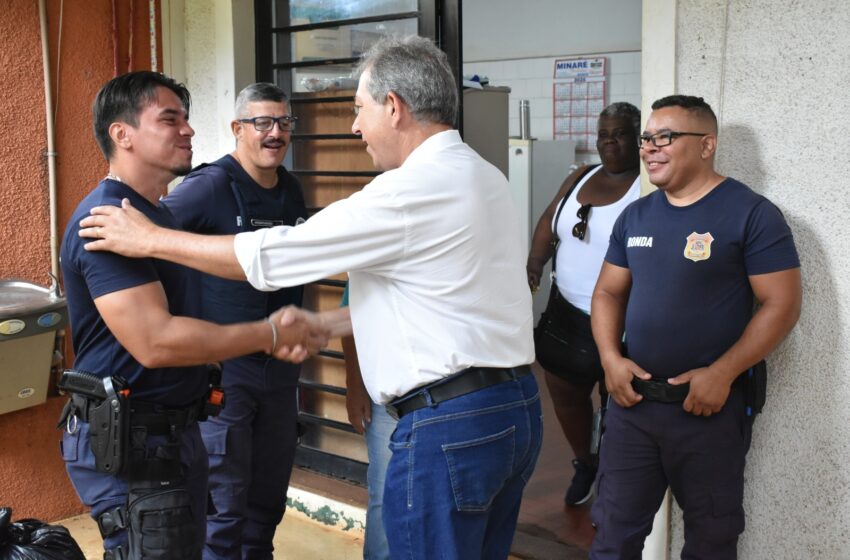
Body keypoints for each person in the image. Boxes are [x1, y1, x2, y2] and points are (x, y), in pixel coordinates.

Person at [78, 36, 543, 560]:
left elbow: (275, 255)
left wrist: (152, 239)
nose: (354, 127)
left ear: (394, 108)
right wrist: (327, 326)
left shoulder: (409, 191)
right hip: (513, 412)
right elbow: (437, 296)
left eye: (358, 109)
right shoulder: (484, 175)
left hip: (451, 426)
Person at [59, 71, 325, 560]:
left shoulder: (155, 218)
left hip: (177, 431)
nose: (188, 130)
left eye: (186, 118)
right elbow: (156, 341)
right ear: (123, 134)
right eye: (170, 119)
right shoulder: (109, 222)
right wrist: (265, 333)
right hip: (133, 443)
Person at [589, 95, 802, 559]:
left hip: (707, 411)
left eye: (666, 137)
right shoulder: (636, 216)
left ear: (707, 146)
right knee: (612, 539)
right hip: (633, 407)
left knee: (711, 542)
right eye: (647, 138)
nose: (650, 147)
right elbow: (608, 293)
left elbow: (781, 306)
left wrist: (723, 373)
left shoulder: (751, 214)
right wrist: (610, 359)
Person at [161, 82, 307, 560]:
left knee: (266, 503)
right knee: (222, 507)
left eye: (283, 123)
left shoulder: (290, 189)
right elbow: (150, 238)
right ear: (237, 129)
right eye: (262, 122)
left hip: (281, 369)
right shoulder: (209, 186)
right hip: (227, 374)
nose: (274, 134)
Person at [526, 102, 641, 506]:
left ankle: (613, 475)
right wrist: (535, 263)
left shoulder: (647, 186)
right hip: (566, 312)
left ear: (638, 137)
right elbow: (547, 222)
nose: (610, 142)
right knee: (563, 390)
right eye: (604, 134)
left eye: (621, 133)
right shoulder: (581, 175)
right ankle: (585, 461)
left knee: (620, 406)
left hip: (622, 319)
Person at [340, 284, 395, 560]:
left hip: (447, 392)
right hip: (386, 395)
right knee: (386, 496)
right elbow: (350, 315)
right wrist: (354, 385)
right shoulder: (381, 240)